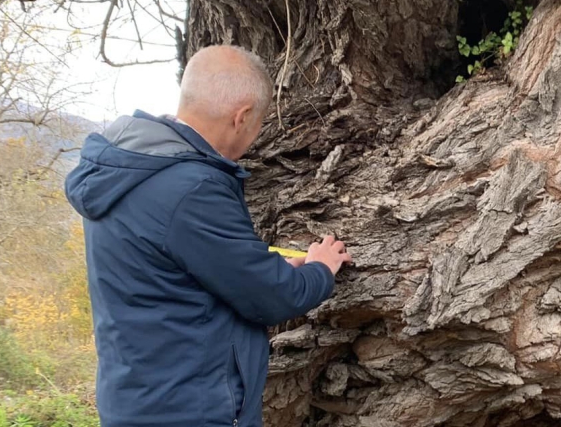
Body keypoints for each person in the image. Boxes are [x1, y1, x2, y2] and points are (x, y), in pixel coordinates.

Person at [65, 45, 352, 427]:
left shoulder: (131, 166)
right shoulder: (190, 188)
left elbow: (180, 271)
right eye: (258, 123)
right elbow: (273, 297)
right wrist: (320, 269)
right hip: (191, 409)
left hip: (137, 399)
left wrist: (265, 267)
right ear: (243, 116)